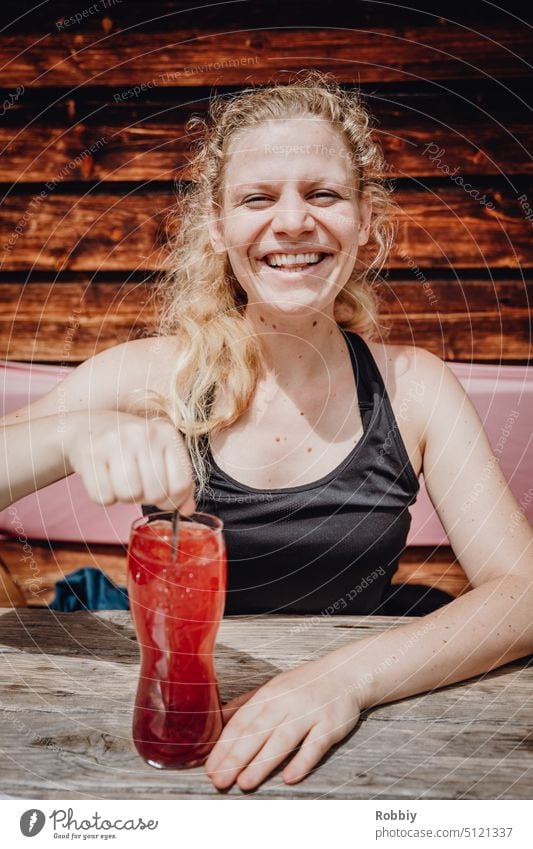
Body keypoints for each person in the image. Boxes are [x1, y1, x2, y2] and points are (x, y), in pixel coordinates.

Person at [1, 71, 532, 792]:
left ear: (364, 219)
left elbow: (523, 592)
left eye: (323, 194)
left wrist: (341, 680)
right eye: (257, 197)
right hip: (168, 721)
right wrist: (70, 433)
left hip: (359, 730)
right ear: (217, 227)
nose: (290, 223)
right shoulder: (154, 373)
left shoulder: (414, 388)